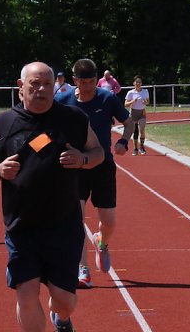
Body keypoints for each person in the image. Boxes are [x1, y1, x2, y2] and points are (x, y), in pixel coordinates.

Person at [0, 62, 104, 332]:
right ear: (20, 85)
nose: (41, 89)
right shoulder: (3, 123)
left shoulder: (73, 119)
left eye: (47, 83)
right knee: (26, 289)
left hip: (63, 225)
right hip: (21, 225)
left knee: (65, 300)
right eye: (34, 83)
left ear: (55, 86)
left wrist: (84, 160)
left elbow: (98, 151)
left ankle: (61, 321)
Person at [56, 59, 134, 289]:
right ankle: (83, 269)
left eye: (92, 81)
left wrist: (123, 141)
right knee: (76, 220)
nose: (89, 86)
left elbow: (129, 123)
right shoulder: (63, 101)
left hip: (103, 166)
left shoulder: (107, 98)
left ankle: (102, 242)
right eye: (84, 82)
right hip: (74, 167)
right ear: (75, 81)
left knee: (108, 222)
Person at [124, 76, 150, 155]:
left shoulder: (145, 91)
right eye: (136, 82)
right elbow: (125, 104)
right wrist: (132, 101)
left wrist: (146, 102)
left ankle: (141, 147)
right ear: (134, 83)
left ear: (141, 84)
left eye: (139, 82)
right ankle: (135, 148)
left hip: (142, 112)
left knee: (142, 129)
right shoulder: (130, 93)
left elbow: (148, 102)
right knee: (135, 131)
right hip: (133, 112)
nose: (138, 84)